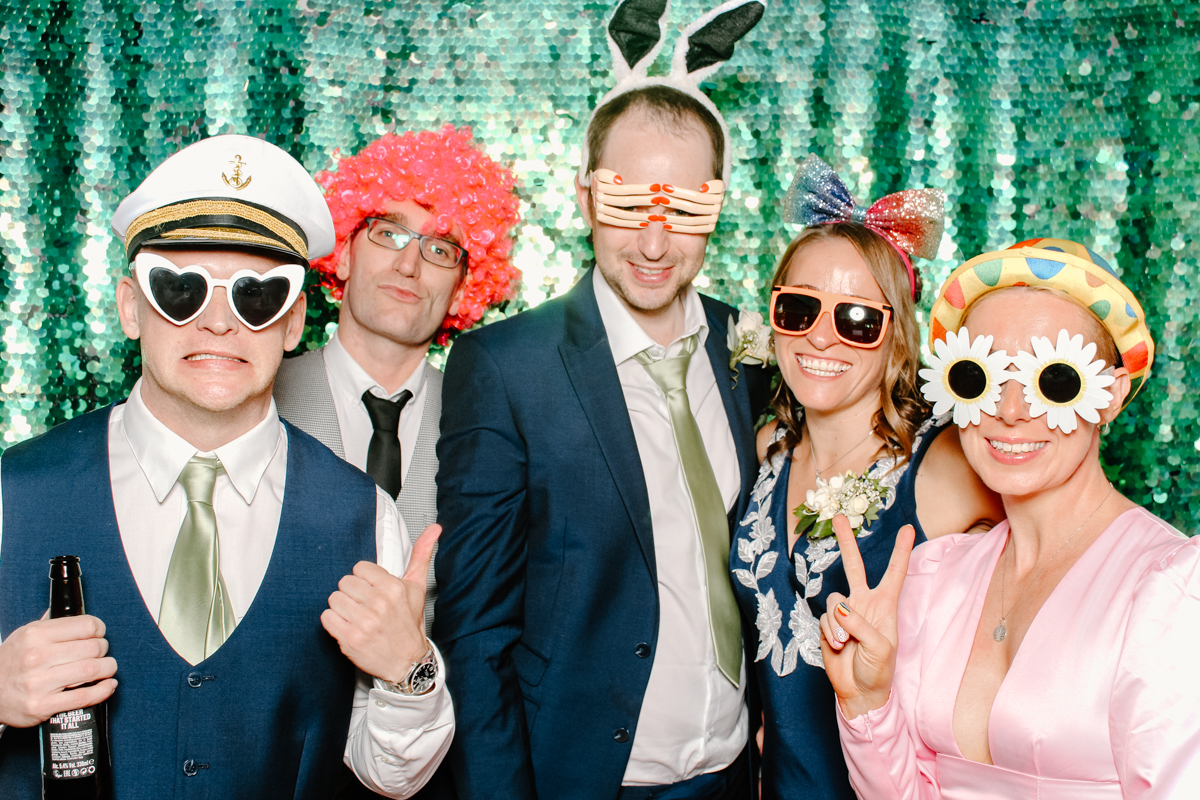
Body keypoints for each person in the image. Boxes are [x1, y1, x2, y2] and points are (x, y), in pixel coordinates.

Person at [0, 134, 453, 798]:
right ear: (130, 307)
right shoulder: (14, 497)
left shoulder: (363, 517)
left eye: (256, 295)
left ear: (294, 321)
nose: (219, 322)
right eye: (180, 289)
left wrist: (411, 671)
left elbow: (393, 776)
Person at [433, 1, 768, 797]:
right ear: (586, 197)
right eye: (628, 204)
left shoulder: (753, 349)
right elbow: (475, 628)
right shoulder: (505, 367)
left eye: (684, 209)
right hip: (580, 777)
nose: (654, 244)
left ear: (717, 206)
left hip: (731, 772)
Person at [820, 238, 1200, 797]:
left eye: (1054, 380)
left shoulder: (1171, 592)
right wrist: (866, 705)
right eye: (981, 377)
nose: (1012, 409)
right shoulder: (936, 576)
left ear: (1112, 395)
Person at [730, 156, 1002, 800]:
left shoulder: (947, 469)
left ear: (897, 337)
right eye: (799, 309)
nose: (821, 338)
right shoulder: (766, 447)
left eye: (856, 319)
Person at [274, 125, 521, 637]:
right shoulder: (256, 395)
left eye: (440, 248)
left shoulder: (493, 424)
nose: (409, 264)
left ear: (461, 290)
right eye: (388, 233)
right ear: (342, 252)